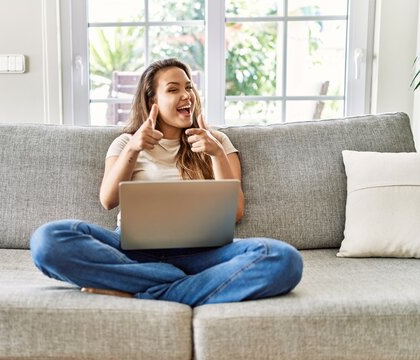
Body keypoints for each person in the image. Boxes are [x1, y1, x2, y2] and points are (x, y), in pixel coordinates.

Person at [30, 58, 303, 307]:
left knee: (281, 258)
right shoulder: (126, 143)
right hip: (132, 252)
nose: (186, 96)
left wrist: (216, 154)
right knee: (47, 240)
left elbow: (236, 213)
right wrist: (134, 149)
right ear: (152, 102)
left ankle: (144, 291)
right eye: (173, 90)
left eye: (189, 87)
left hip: (203, 255)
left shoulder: (216, 142)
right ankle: (174, 282)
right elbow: (108, 200)